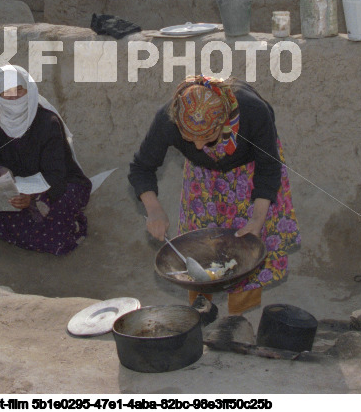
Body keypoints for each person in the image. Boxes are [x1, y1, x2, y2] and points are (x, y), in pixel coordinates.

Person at [128, 75, 300, 315]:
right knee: (197, 247)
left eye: (207, 138)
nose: (198, 147)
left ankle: (238, 318)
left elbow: (269, 168)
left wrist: (257, 219)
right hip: (202, 177)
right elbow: (141, 167)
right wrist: (153, 209)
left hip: (248, 177)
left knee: (246, 249)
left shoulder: (253, 111)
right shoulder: (169, 118)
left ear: (224, 123)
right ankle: (202, 309)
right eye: (190, 140)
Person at [0, 65, 91, 255]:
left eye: (19, 89)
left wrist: (32, 196)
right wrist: (2, 174)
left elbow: (57, 173)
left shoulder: (48, 122)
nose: (14, 96)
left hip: (57, 182)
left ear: (28, 90)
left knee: (52, 209)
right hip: (17, 185)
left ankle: (72, 226)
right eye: (6, 91)